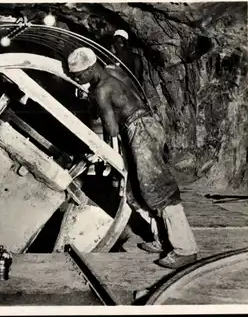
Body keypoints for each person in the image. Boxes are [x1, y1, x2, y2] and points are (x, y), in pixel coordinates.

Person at [65, 47, 199, 269]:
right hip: (146, 123)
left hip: (139, 129)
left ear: (89, 68)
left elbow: (112, 130)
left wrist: (106, 154)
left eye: (78, 75)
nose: (77, 79)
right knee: (134, 190)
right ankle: (162, 239)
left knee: (158, 189)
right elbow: (136, 93)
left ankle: (186, 249)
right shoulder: (113, 71)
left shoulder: (101, 90)